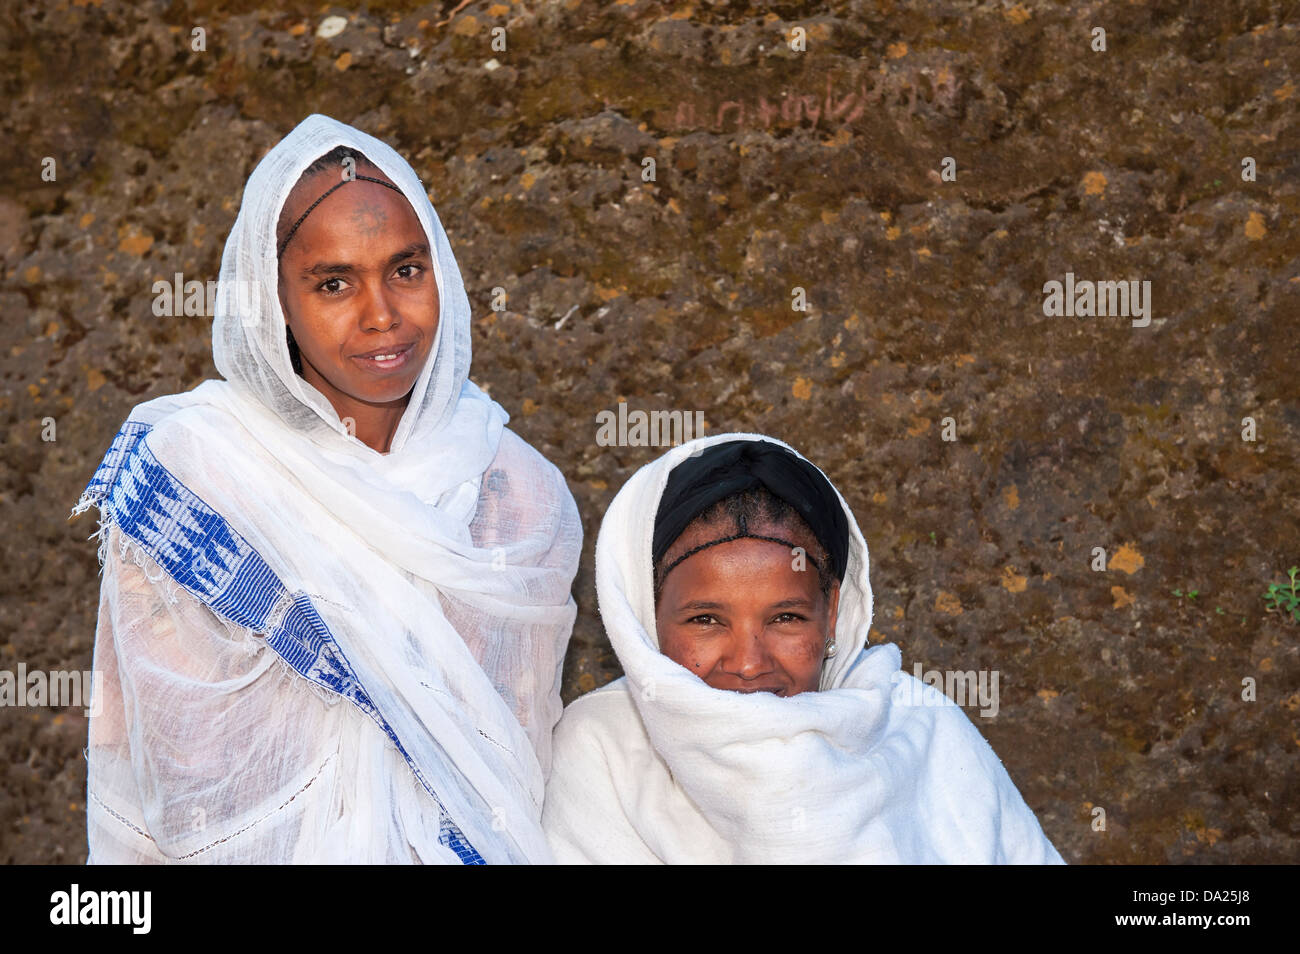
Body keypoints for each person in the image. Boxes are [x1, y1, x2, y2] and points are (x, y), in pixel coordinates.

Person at [70, 114, 582, 864]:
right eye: (334, 283)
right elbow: (171, 755)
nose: (382, 315)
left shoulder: (521, 495)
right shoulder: (198, 470)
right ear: (272, 300)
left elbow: (515, 762)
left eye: (406, 269)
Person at [542, 433, 1064, 863]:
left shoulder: (921, 731)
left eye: (786, 618)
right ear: (645, 616)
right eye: (705, 619)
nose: (748, 664)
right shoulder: (602, 753)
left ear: (832, 612)